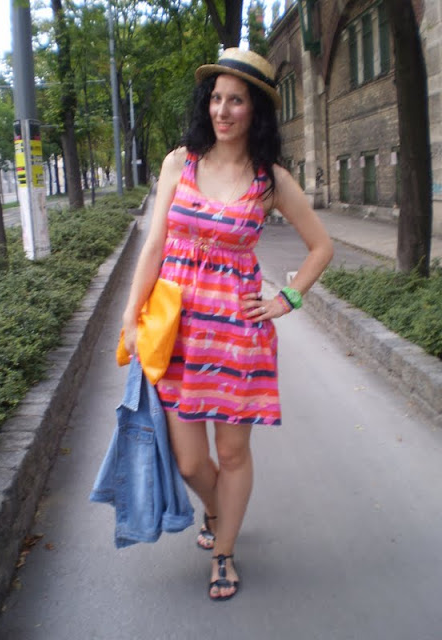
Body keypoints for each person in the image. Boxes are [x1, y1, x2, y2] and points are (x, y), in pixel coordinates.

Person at [122, 48, 334, 602]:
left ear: (255, 110)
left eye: (235, 100)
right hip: (178, 332)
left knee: (233, 453)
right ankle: (217, 510)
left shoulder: (271, 180)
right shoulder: (180, 163)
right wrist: (130, 318)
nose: (222, 110)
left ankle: (224, 552)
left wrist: (287, 298)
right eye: (216, 98)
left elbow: (321, 246)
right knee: (191, 460)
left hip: (239, 336)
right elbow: (153, 247)